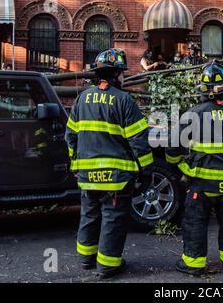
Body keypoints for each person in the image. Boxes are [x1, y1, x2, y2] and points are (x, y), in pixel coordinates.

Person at [65, 48, 153, 278]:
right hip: (115, 176)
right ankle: (108, 265)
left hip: (86, 175)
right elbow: (139, 141)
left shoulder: (82, 98)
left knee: (89, 214)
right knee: (112, 219)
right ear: (116, 75)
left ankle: (86, 259)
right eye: (122, 73)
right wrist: (146, 171)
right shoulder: (124, 100)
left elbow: (70, 136)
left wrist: (75, 164)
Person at [165, 60, 223, 276]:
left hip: (203, 183)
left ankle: (193, 264)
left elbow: (173, 148)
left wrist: (182, 167)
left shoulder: (194, 113)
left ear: (202, 89)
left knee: (196, 222)